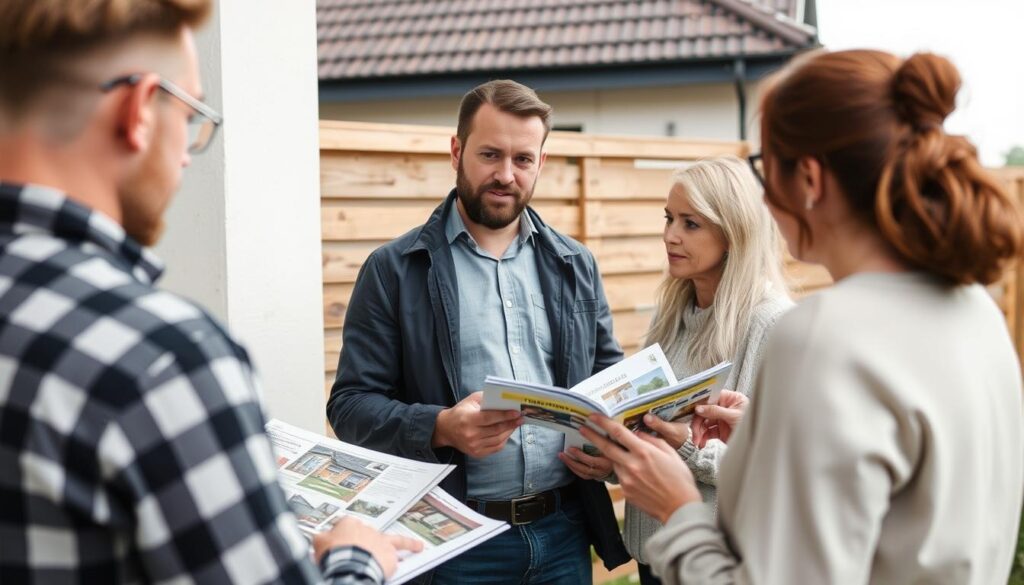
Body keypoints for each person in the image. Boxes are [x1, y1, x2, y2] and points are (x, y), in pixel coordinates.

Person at [0, 1, 419, 582]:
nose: (186, 156)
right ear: (140, 110)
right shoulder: (163, 358)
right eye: (193, 114)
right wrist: (357, 556)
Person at [582, 49, 1024, 584]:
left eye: (765, 168)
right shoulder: (977, 312)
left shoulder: (819, 336)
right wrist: (761, 446)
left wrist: (677, 509)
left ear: (809, 180)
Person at [327, 79, 630, 584]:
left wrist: (610, 451)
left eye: (523, 159)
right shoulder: (394, 269)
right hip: (453, 543)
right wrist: (441, 426)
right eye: (490, 154)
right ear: (456, 151)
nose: (505, 175)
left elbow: (607, 379)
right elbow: (351, 405)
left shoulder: (576, 263)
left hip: (563, 535)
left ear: (541, 163)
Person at [557, 157, 792, 584]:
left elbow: (779, 468)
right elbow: (651, 427)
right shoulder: (672, 316)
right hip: (656, 558)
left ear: (733, 230)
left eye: (690, 223)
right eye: (669, 218)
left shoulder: (773, 324)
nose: (670, 236)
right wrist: (610, 458)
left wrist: (689, 447)